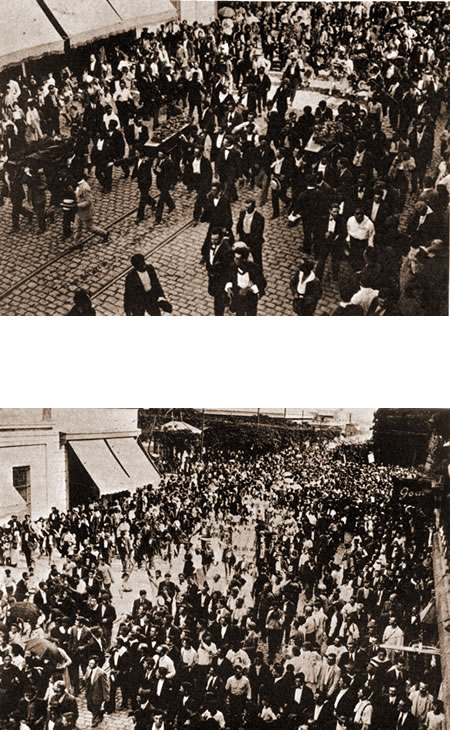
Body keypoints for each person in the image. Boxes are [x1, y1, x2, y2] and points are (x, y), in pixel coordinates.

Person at [225, 242, 265, 316]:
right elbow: (228, 278)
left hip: (250, 298)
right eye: (235, 258)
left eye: (238, 259)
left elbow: (262, 283)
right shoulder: (232, 266)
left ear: (244, 259)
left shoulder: (254, 268)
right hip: (237, 297)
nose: (235, 260)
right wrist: (229, 288)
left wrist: (249, 289)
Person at [202, 229, 233, 316]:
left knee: (218, 303)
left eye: (216, 240)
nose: (213, 241)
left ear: (221, 238)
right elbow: (208, 257)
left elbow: (228, 269)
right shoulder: (211, 244)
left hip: (221, 280)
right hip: (213, 278)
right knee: (215, 295)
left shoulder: (227, 250)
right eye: (212, 239)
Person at [73, 177, 109, 245]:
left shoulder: (85, 187)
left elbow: (88, 202)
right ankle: (77, 243)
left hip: (86, 212)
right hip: (78, 211)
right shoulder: (77, 185)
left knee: (90, 227)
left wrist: (77, 205)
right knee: (77, 227)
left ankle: (104, 233)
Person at [236, 198, 265, 272]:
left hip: (254, 241)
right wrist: (238, 234)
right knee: (242, 256)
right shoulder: (242, 213)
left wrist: (250, 245)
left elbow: (258, 234)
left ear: (253, 207)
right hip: (244, 237)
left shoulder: (259, 218)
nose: (247, 209)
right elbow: (239, 224)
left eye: (249, 208)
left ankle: (258, 272)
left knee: (257, 258)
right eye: (246, 207)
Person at [132, 147, 156, 224]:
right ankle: (152, 202)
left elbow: (146, 174)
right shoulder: (137, 159)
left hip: (146, 182)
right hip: (140, 182)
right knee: (145, 196)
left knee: (142, 199)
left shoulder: (147, 162)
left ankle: (140, 216)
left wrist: (141, 181)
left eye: (137, 153)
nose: (136, 155)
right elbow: (127, 160)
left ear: (141, 153)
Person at [85, 656, 109, 727]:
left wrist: (106, 697)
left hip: (97, 694)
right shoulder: (88, 669)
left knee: (96, 707)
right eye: (89, 663)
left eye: (91, 663)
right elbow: (87, 678)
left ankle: (95, 721)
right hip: (90, 692)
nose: (89, 665)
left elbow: (105, 686)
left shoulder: (101, 673)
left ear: (96, 664)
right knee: (90, 707)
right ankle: (100, 714)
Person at [154, 149, 175, 224]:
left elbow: (171, 174)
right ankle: (171, 205)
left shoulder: (169, 162)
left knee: (161, 201)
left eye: (161, 152)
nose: (159, 154)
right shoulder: (158, 160)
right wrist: (155, 168)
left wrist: (172, 184)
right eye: (158, 152)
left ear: (165, 154)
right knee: (166, 195)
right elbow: (156, 172)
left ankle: (158, 218)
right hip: (160, 183)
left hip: (165, 183)